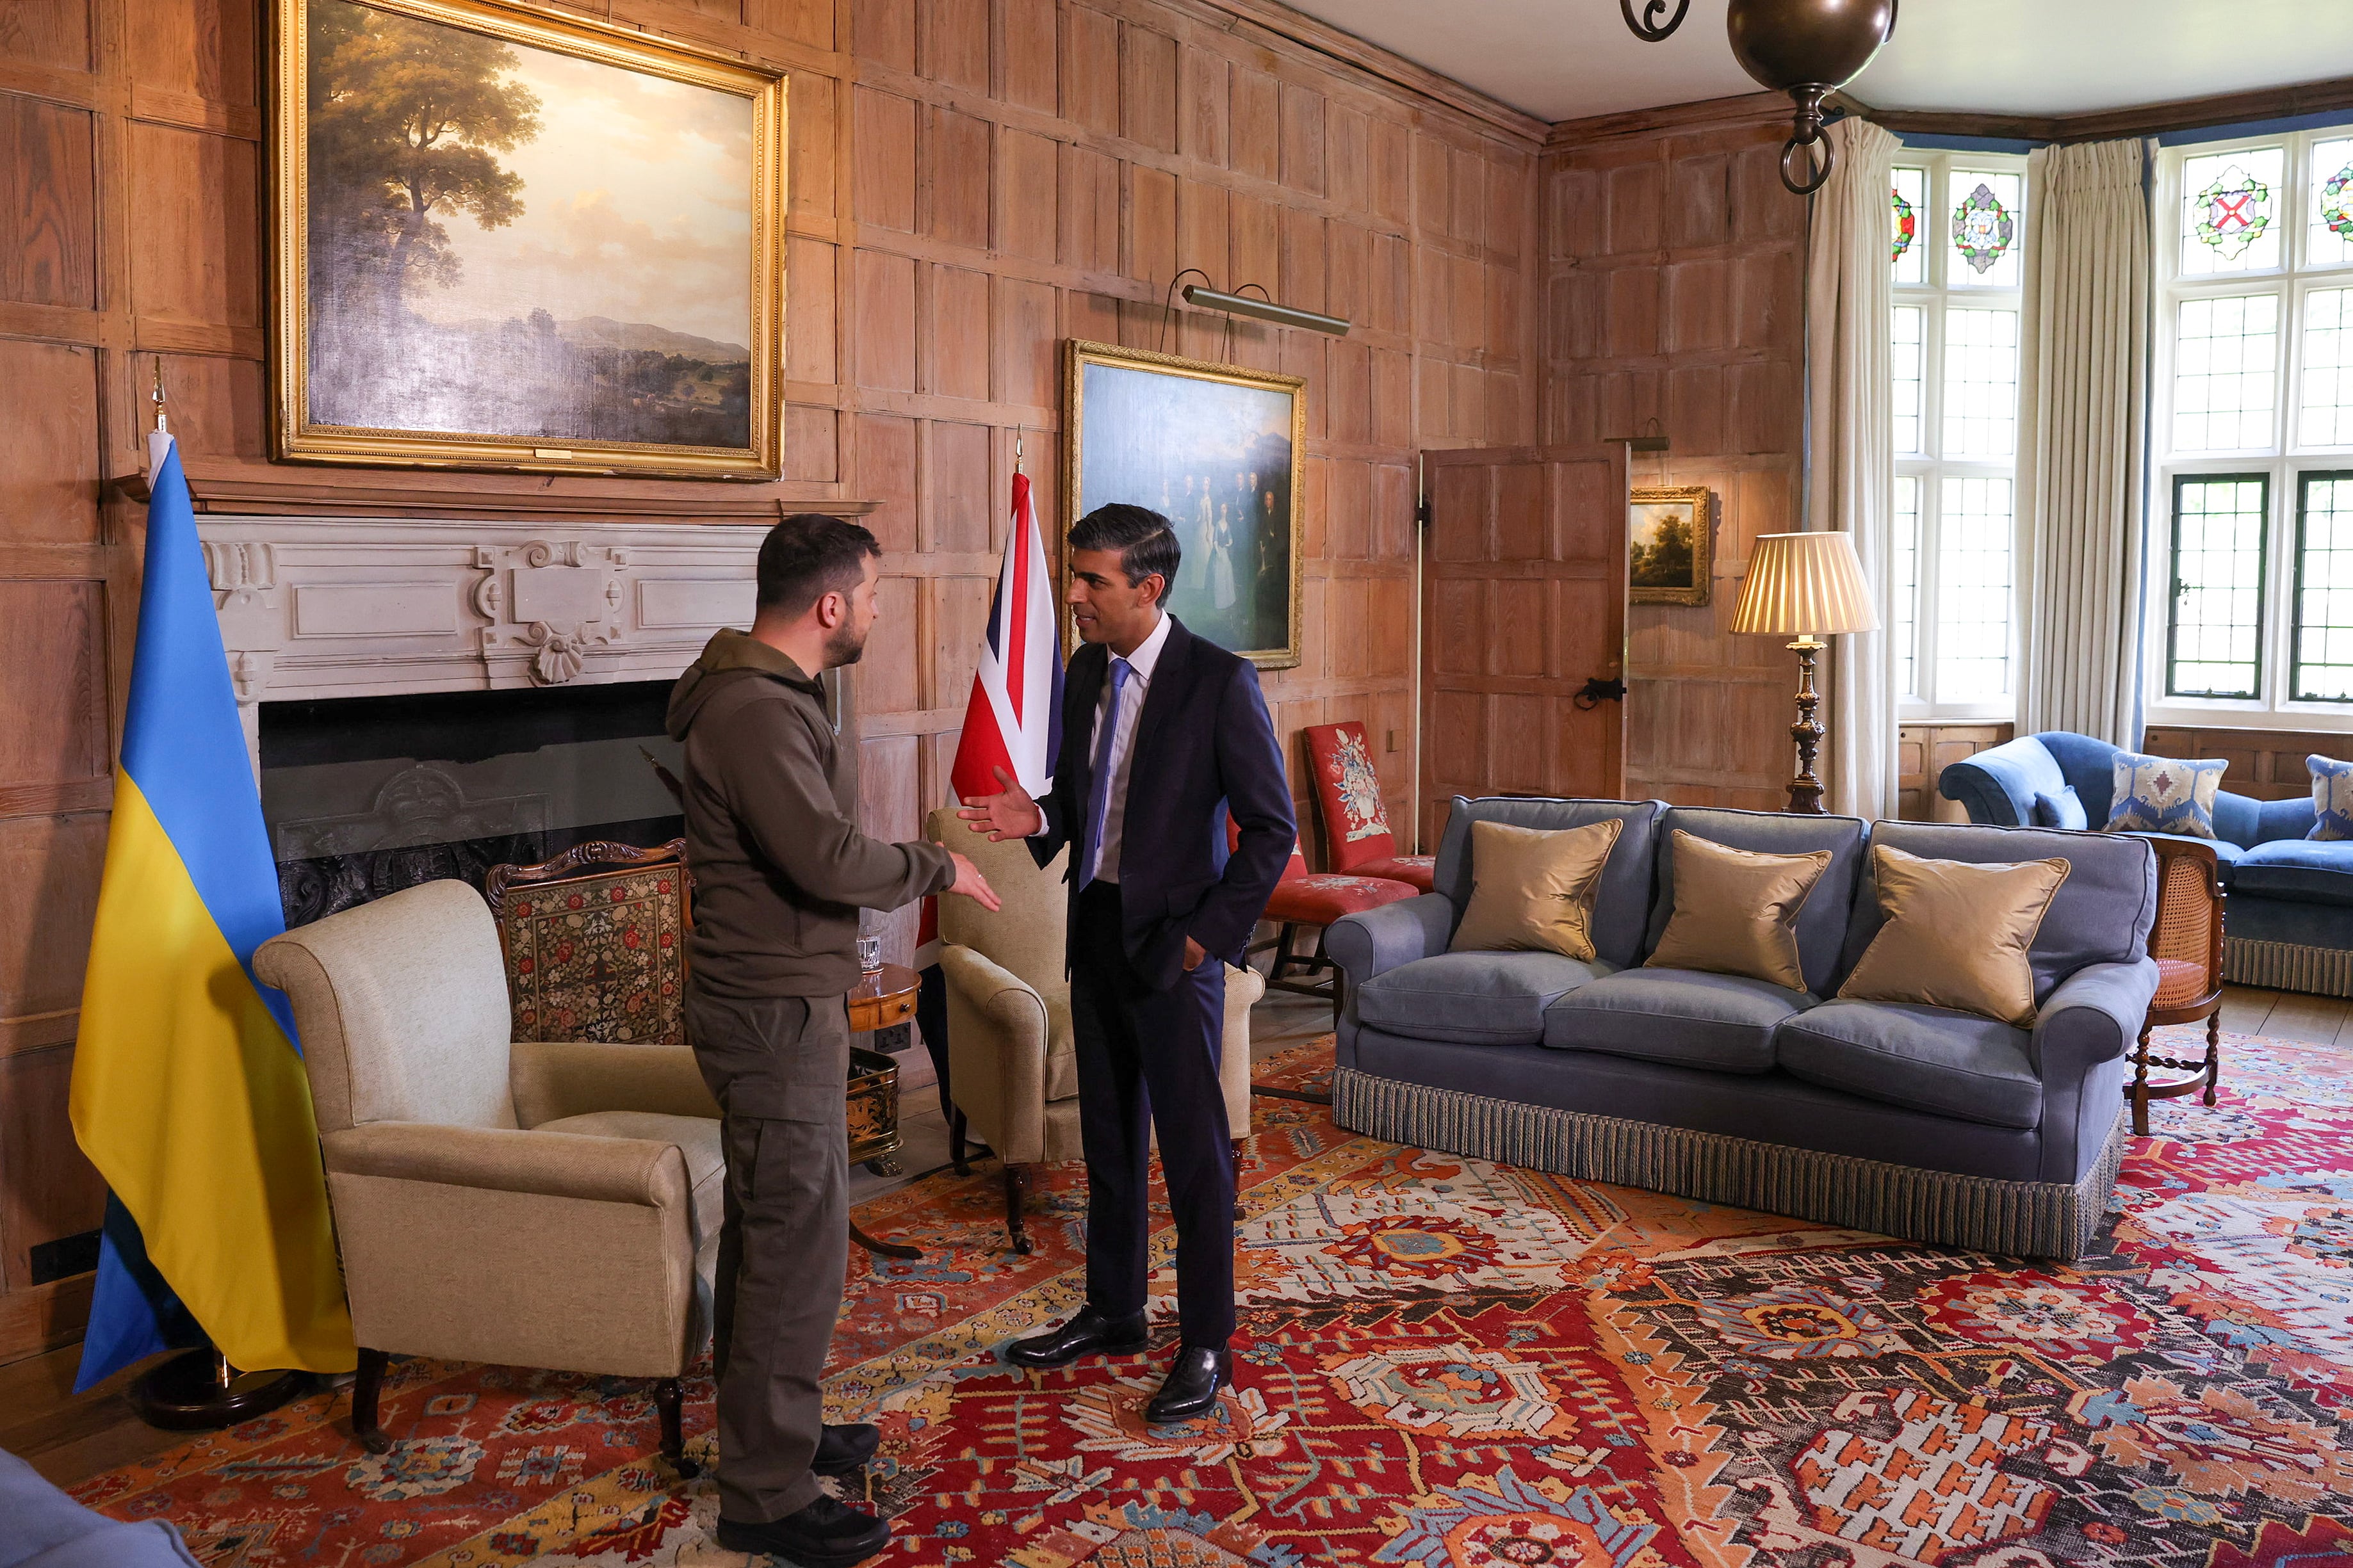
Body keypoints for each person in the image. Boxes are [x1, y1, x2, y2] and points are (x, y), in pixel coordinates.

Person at [666, 513, 1000, 1567]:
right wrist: (935, 867)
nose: (877, 609)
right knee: (791, 1245)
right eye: (872, 592)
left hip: (778, 999)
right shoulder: (754, 711)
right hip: (769, 1013)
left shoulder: (774, 695)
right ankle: (762, 1494)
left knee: (782, 1233)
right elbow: (823, 855)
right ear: (829, 605)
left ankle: (785, 1434)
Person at [959, 503, 1292, 1422]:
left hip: (1174, 950)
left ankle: (1207, 1344)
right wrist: (1039, 816)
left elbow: (1272, 829)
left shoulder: (1220, 682)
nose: (1072, 596)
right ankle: (1114, 1310)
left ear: (1147, 588)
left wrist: (1204, 940)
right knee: (1109, 1145)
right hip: (1093, 930)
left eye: (1091, 581)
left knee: (1193, 1161)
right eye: (1070, 577)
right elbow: (1084, 793)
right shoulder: (1082, 668)